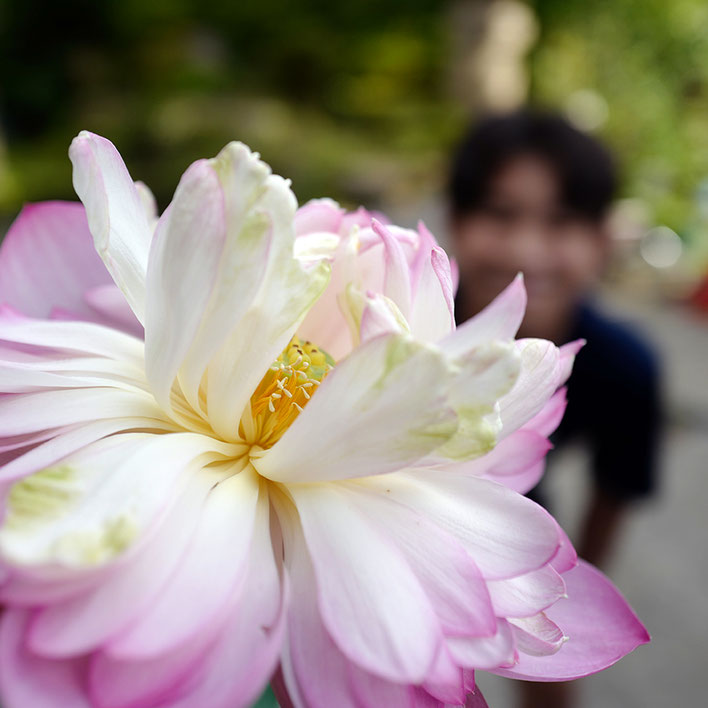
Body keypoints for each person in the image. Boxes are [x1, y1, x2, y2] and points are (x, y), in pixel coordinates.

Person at [448, 109, 662, 708]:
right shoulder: (399, 325)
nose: (527, 250)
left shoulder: (626, 368)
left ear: (599, 240)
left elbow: (613, 494)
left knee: (553, 657)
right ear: (457, 220)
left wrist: (559, 599)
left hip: (521, 494)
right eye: (500, 213)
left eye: (562, 220)